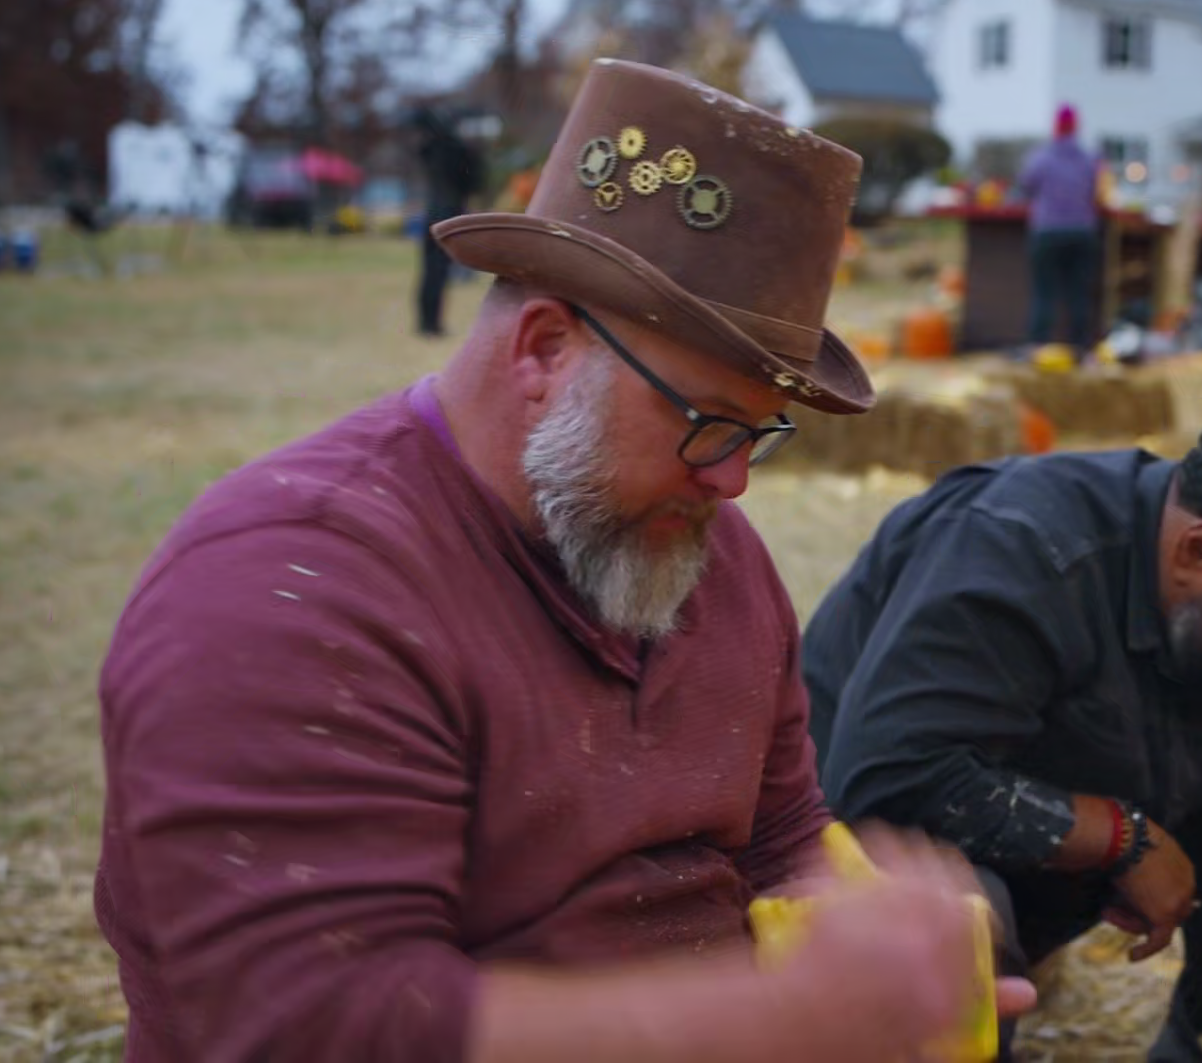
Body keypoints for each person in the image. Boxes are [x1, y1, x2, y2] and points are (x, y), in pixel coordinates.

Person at [94, 58, 1033, 1062]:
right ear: (543, 349)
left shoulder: (702, 550)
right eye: (710, 421)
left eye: (758, 434)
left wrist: (869, 943)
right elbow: (320, 1026)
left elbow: (781, 834)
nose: (732, 483)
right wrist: (786, 1020)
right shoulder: (293, 588)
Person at [803, 412, 1202, 1063]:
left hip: (1037, 833)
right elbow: (888, 778)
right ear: (1197, 550)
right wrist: (1120, 838)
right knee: (956, 909)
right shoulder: (1022, 548)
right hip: (851, 855)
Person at [1016, 104, 1104, 360]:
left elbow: (1026, 185)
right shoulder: (1090, 159)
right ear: (1076, 127)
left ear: (1055, 127)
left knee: (1044, 291)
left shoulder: (1041, 158)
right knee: (1079, 293)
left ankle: (1038, 347)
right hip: (1082, 231)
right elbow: (1098, 191)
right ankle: (1080, 349)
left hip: (1047, 231)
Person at [412, 105, 486, 337]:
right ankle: (431, 324)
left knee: (429, 271)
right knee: (439, 270)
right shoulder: (458, 151)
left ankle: (427, 321)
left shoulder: (431, 149)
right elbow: (473, 182)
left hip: (431, 213)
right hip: (449, 213)